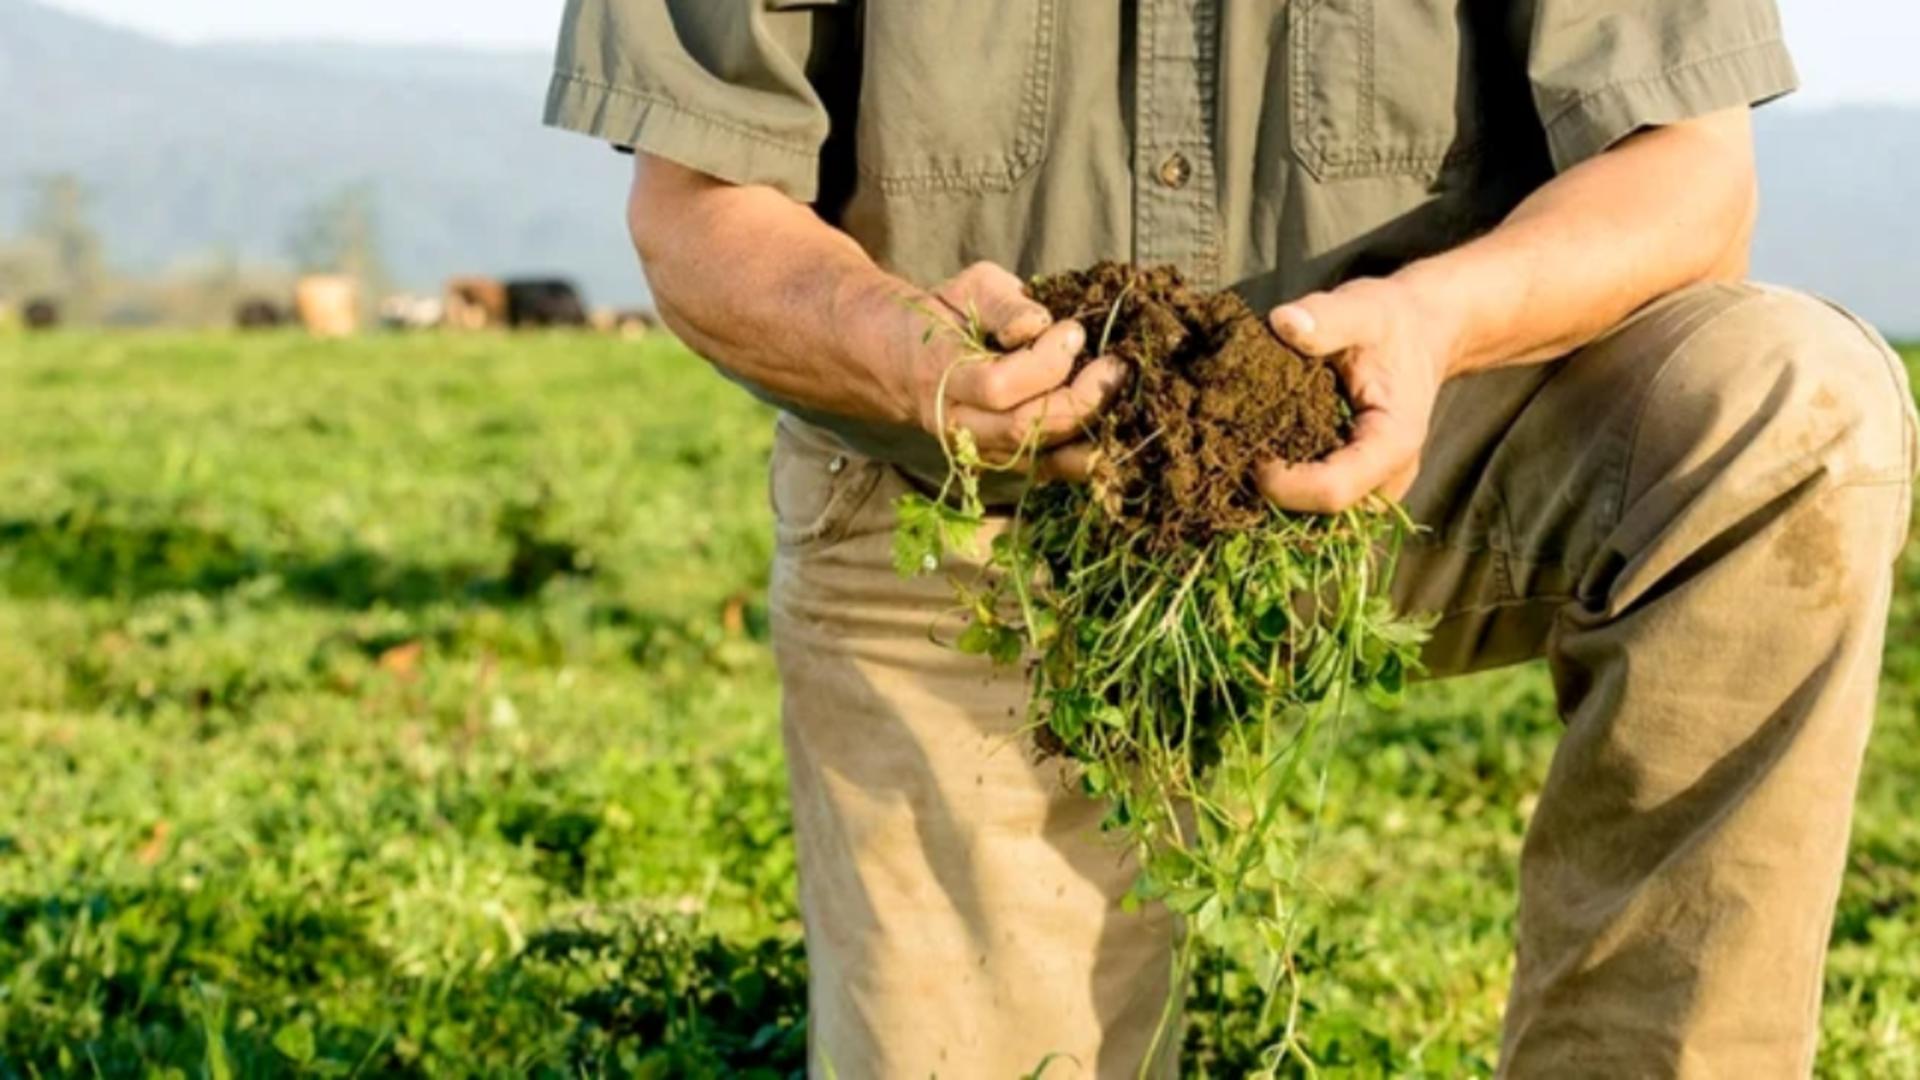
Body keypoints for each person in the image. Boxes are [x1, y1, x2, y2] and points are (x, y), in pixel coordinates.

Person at [545, 2, 1919, 1075]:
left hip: (1423, 437)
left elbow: (1686, 173)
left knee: (1794, 405)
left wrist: (1437, 318)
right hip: (969, 509)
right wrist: (904, 355)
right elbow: (695, 204)